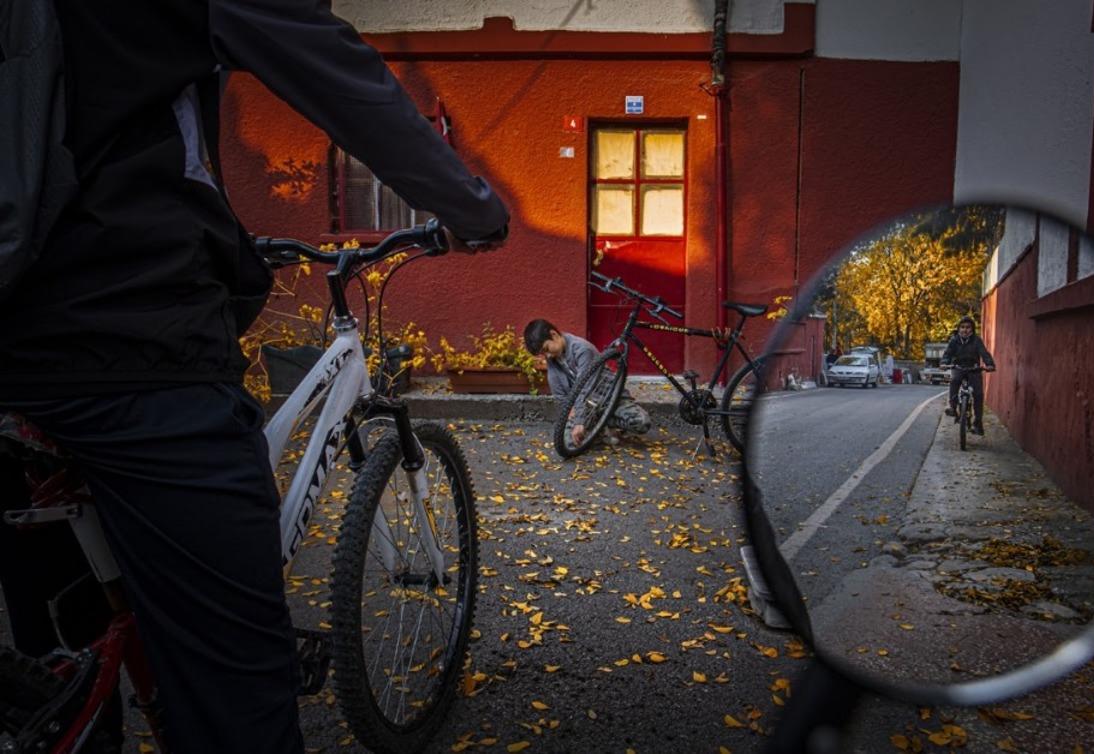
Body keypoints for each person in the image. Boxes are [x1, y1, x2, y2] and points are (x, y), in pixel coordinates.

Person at [0, 2, 508, 752]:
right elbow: (329, 63)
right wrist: (471, 207)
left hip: (16, 346)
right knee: (238, 684)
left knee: (64, 654)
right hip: (130, 338)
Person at [523, 319, 651, 446]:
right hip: (587, 407)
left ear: (554, 335)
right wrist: (571, 414)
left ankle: (601, 428)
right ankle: (601, 432)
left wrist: (580, 421)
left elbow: (585, 387)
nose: (548, 356)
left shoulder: (582, 349)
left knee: (641, 422)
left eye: (546, 349)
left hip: (609, 399)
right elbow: (560, 395)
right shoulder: (553, 359)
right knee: (568, 442)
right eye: (543, 354)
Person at [941, 316, 996, 435]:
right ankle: (953, 408)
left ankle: (978, 423)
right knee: (955, 381)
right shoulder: (954, 340)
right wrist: (944, 363)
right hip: (958, 367)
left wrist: (989, 364)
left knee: (978, 394)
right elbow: (947, 354)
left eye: (968, 327)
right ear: (959, 329)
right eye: (962, 327)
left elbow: (984, 353)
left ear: (972, 329)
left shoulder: (977, 340)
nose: (965, 330)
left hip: (974, 369)